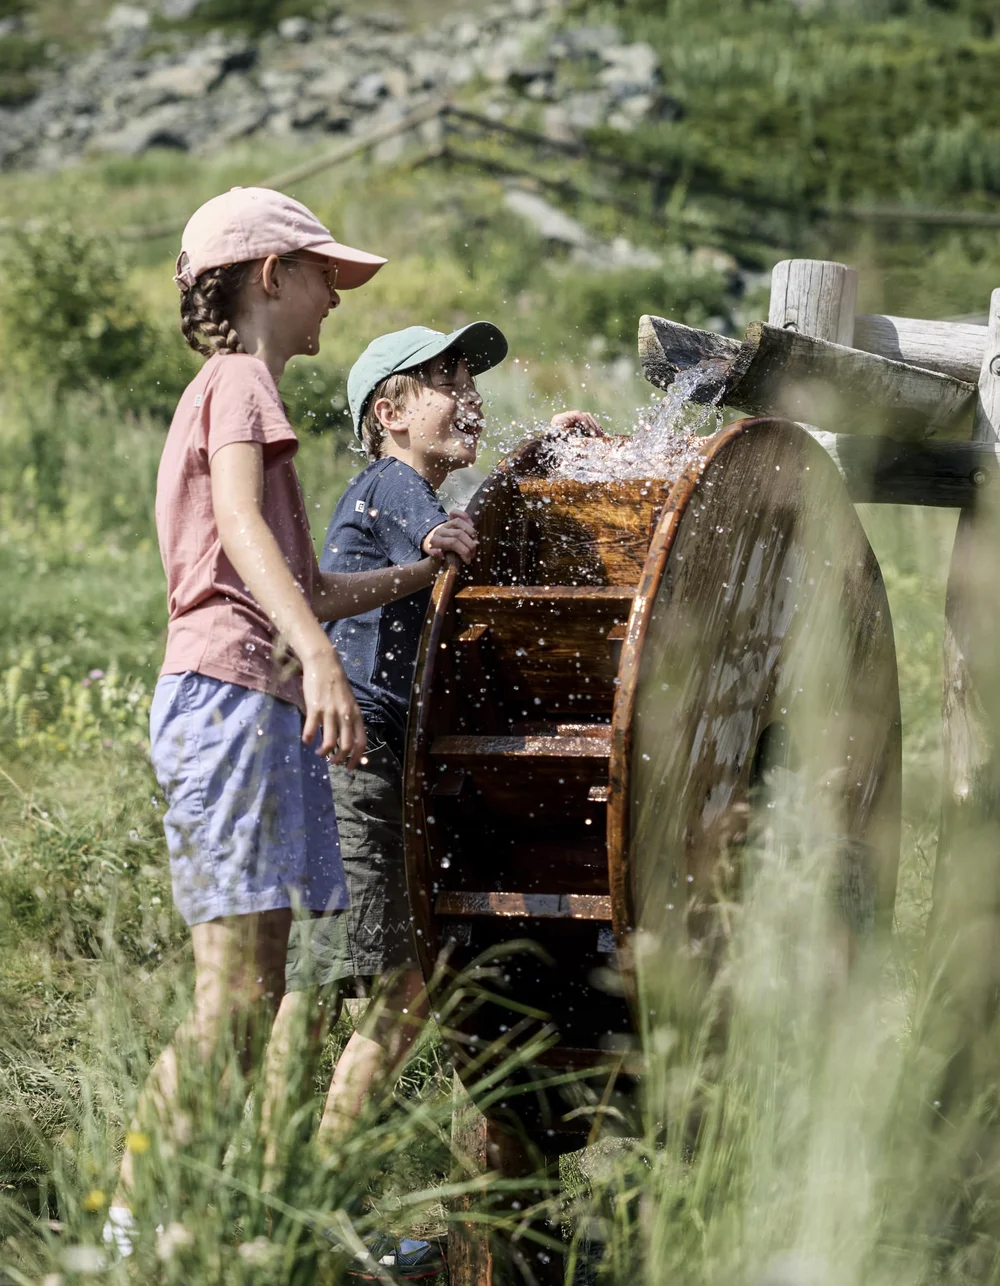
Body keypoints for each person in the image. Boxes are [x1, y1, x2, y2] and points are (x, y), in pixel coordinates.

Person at [103, 189, 474, 1256]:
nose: (333, 302)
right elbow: (234, 531)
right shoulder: (236, 385)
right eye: (322, 279)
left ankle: (226, 1221)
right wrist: (315, 654)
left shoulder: (251, 398)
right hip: (233, 694)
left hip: (254, 702)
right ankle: (133, 1228)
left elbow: (307, 578)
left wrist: (409, 573)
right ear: (268, 275)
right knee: (230, 997)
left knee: (260, 991)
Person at [280, 322, 599, 1277]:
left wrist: (541, 455)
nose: (469, 391)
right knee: (395, 993)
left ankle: (279, 1200)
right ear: (389, 410)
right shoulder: (391, 487)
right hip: (358, 767)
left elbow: (450, 537)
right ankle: (319, 1214)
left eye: (471, 375)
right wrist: (472, 510)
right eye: (445, 377)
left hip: (344, 766)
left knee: (320, 997)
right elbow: (444, 535)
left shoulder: (395, 495)